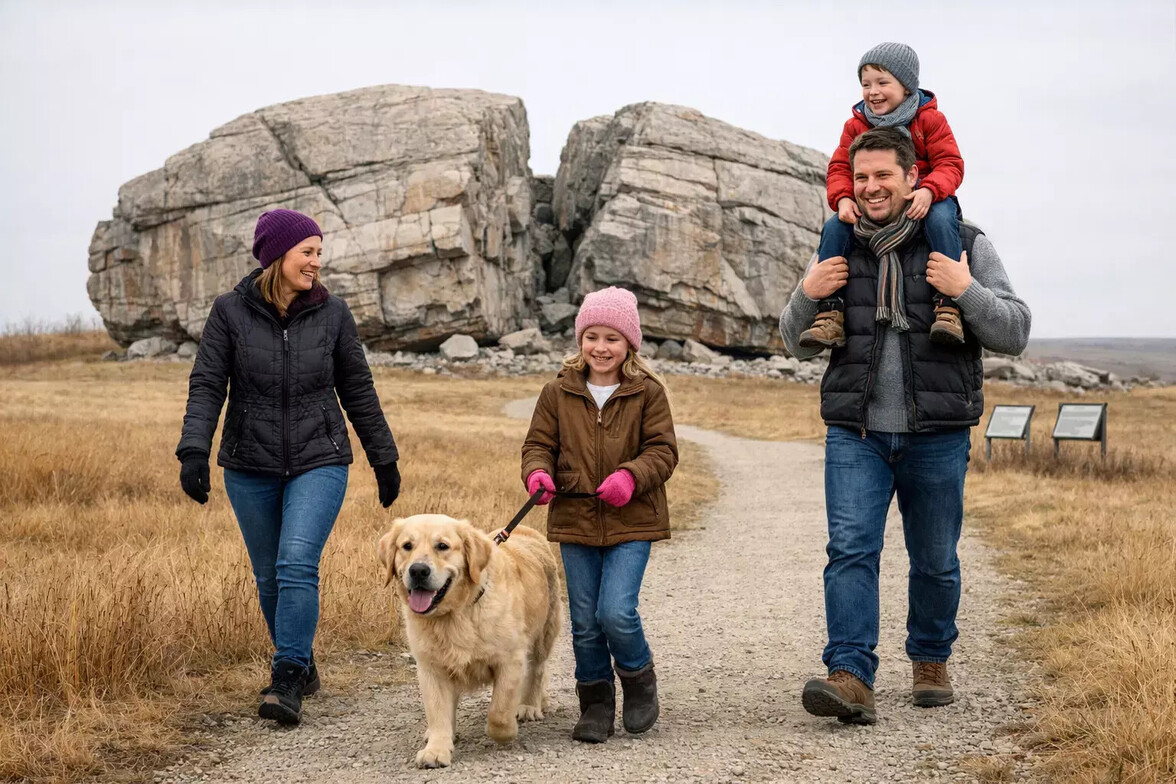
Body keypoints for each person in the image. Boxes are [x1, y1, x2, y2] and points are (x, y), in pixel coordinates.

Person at [780, 128, 1030, 725]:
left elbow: (1015, 333)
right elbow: (794, 342)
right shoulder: (838, 244)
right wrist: (805, 293)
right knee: (849, 552)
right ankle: (850, 675)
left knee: (936, 558)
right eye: (860, 177)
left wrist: (964, 289)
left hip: (937, 434)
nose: (869, 188)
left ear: (913, 177)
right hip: (856, 433)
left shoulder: (963, 242)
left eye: (883, 176)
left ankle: (930, 657)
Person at [176, 208, 402, 725]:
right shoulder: (229, 312)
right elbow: (208, 383)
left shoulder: (334, 314)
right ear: (277, 256)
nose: (316, 263)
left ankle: (286, 677)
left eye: (320, 253)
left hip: (318, 458)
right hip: (248, 463)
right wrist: (193, 450)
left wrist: (383, 456)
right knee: (268, 575)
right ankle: (301, 660)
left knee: (296, 561)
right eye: (308, 252)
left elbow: (358, 390)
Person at [521, 287, 678, 743]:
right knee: (585, 619)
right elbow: (538, 446)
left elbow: (663, 451)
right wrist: (537, 475)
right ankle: (595, 701)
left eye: (612, 338)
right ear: (580, 340)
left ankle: (638, 679)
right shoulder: (557, 392)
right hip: (576, 521)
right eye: (592, 336)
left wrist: (631, 476)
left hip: (633, 521)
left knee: (616, 611)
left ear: (630, 343)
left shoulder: (647, 392)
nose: (601, 347)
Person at [800, 41, 968, 349]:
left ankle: (948, 306)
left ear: (906, 86)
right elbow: (839, 167)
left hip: (929, 197)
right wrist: (844, 198)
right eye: (865, 84)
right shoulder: (856, 125)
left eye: (882, 82)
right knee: (835, 226)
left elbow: (950, 163)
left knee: (942, 220)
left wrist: (929, 190)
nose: (872, 91)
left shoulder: (930, 119)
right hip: (876, 211)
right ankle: (829, 313)